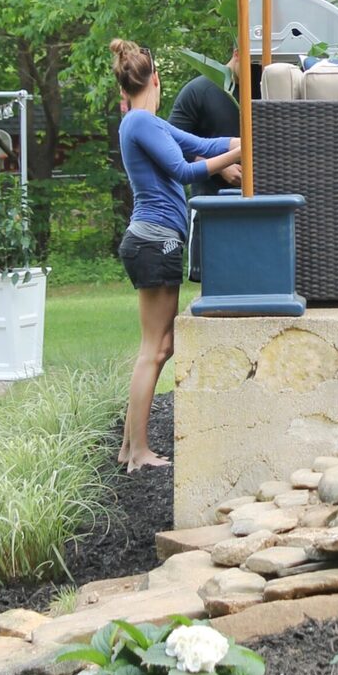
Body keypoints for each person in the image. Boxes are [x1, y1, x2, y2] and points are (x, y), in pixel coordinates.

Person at [111, 39, 241, 471]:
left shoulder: (144, 122)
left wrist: (238, 138)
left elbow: (198, 143)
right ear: (157, 80)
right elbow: (184, 170)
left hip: (153, 238)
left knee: (159, 346)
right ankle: (138, 453)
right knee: (154, 348)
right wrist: (239, 152)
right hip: (155, 239)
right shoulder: (141, 125)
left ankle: (130, 448)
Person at [169, 51, 240, 283]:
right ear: (237, 54)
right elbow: (172, 145)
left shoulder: (264, 90)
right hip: (210, 201)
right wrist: (221, 167)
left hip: (256, 202)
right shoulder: (199, 90)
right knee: (213, 281)